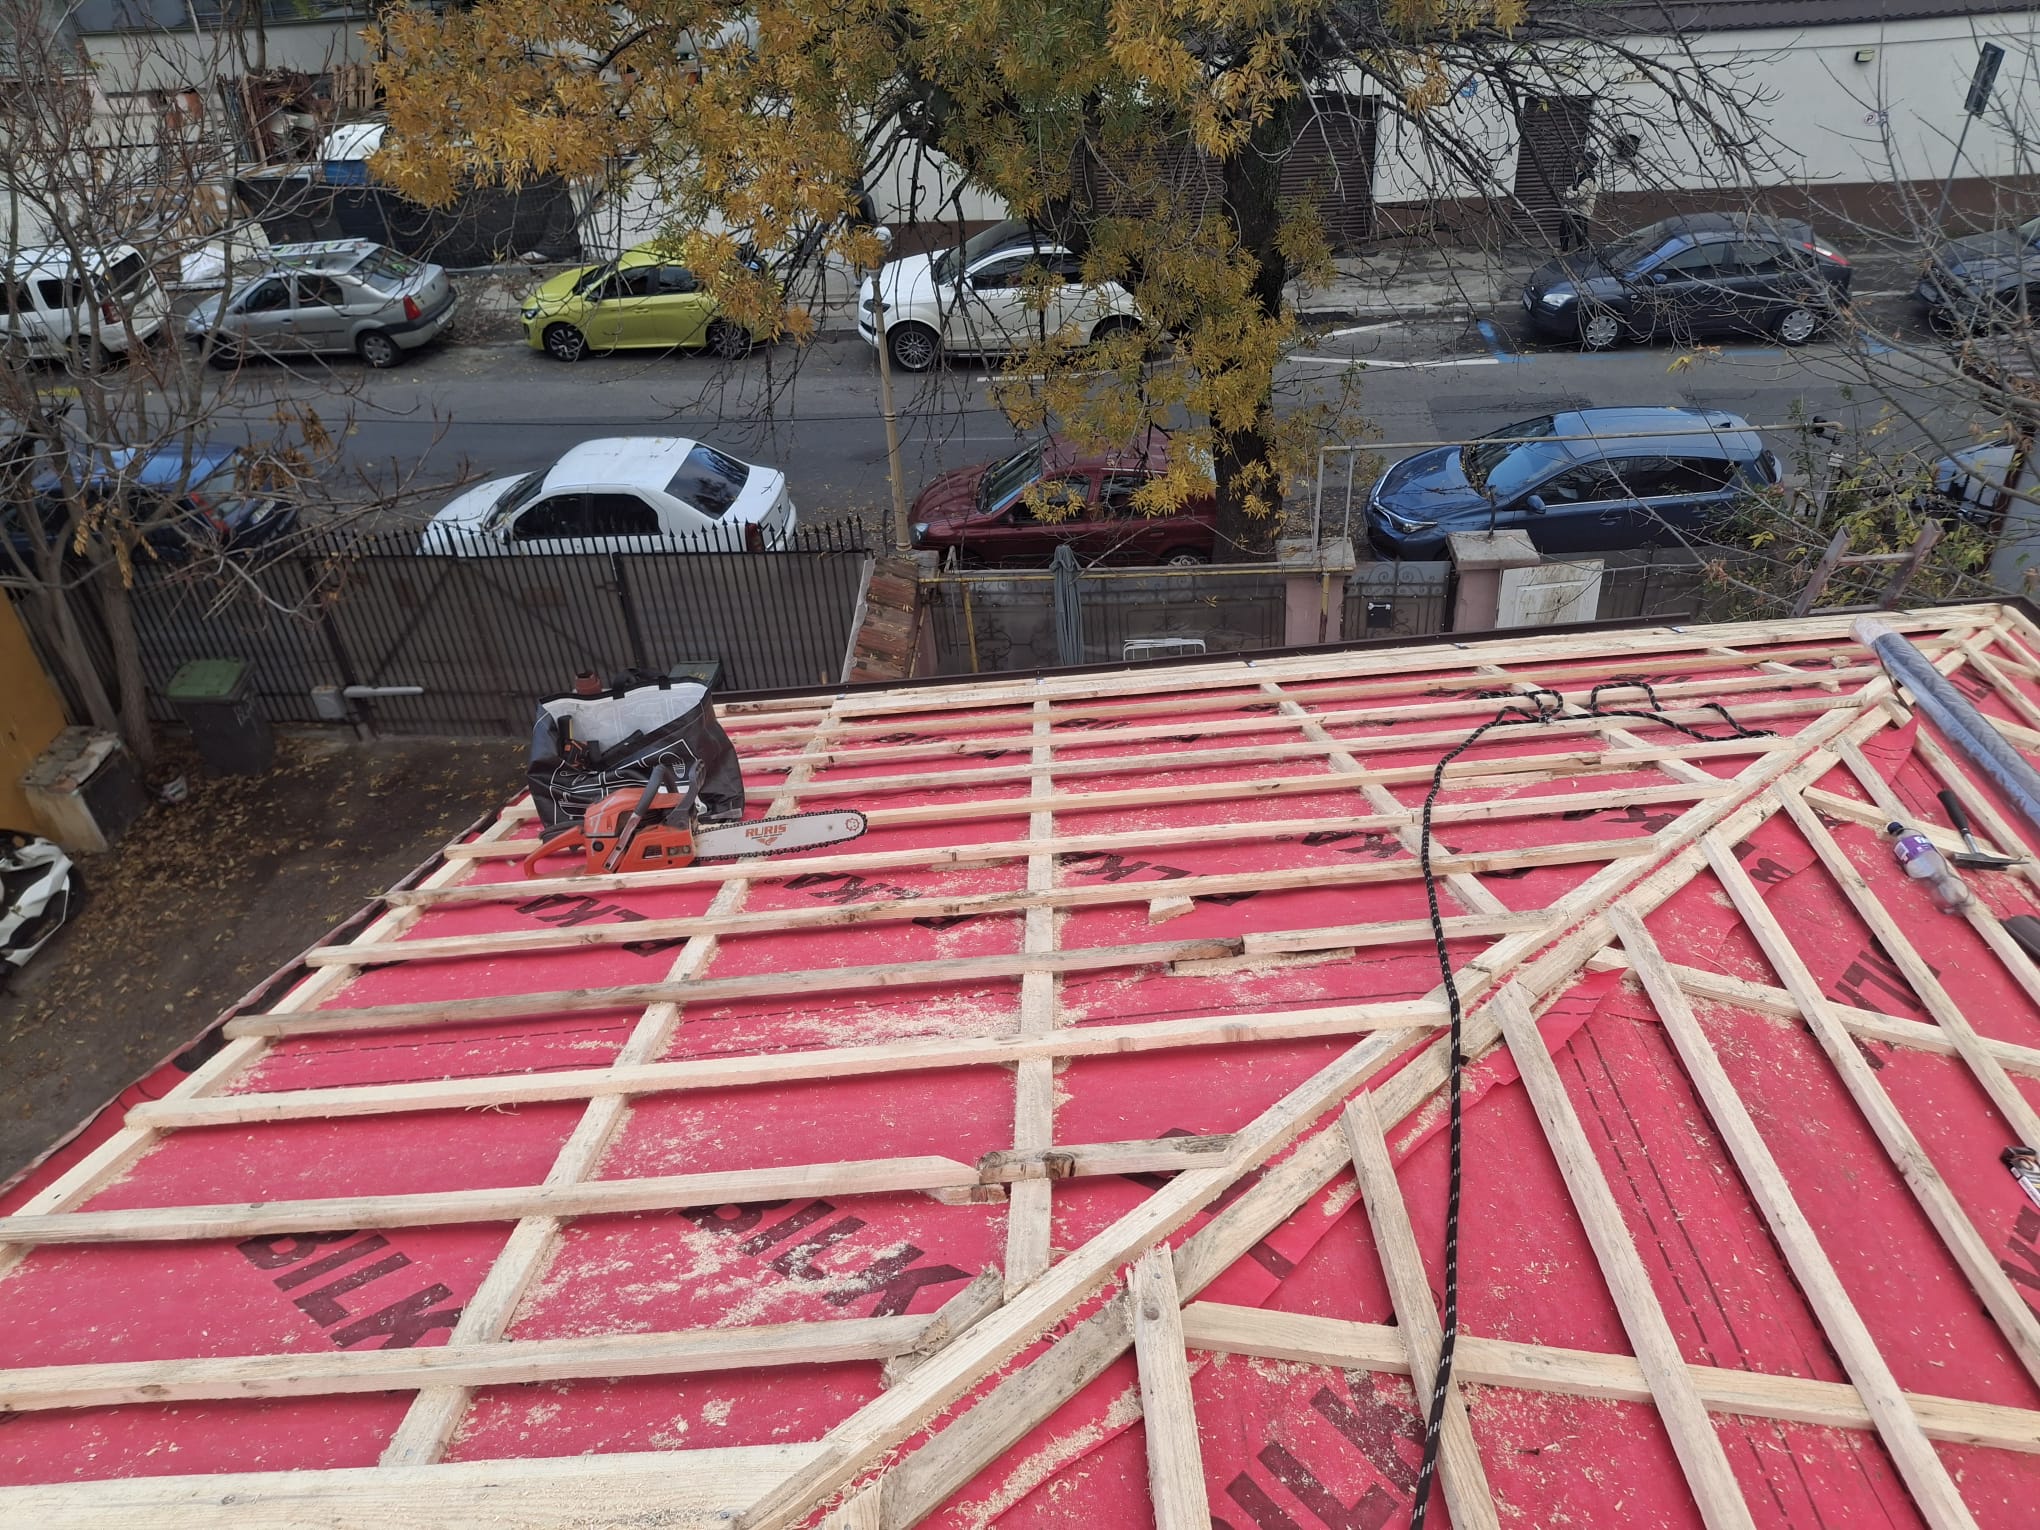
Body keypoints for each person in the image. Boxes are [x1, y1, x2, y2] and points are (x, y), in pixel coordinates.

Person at [1559, 158, 1600, 254]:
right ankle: (1564, 250)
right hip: (1574, 209)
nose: (1578, 163)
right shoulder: (1580, 175)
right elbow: (1574, 187)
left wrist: (1565, 195)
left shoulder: (1588, 178)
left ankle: (1583, 251)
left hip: (1582, 210)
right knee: (1564, 228)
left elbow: (1581, 195)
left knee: (1580, 233)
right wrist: (1567, 190)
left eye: (1581, 162)